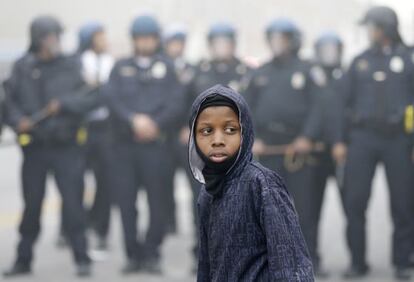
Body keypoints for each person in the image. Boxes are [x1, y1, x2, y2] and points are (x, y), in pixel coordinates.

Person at [188, 84, 314, 281]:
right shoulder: (207, 192)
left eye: (230, 129)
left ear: (245, 132)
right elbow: (206, 265)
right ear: (193, 137)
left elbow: (290, 260)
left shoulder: (261, 184)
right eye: (206, 131)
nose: (218, 140)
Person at [2, 15, 94, 277]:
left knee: (74, 205)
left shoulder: (71, 65)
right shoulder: (22, 68)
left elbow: (89, 99)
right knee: (32, 205)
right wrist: (18, 120)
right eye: (51, 36)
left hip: (66, 149)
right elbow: (8, 103)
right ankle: (23, 259)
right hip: (35, 150)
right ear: (38, 39)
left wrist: (63, 104)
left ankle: (82, 258)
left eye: (57, 36)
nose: (55, 41)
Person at [332, 6, 414, 280]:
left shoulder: (408, 59)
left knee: (403, 203)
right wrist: (340, 140)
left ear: (385, 28)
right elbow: (343, 104)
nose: (368, 32)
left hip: (399, 140)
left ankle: (403, 261)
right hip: (362, 139)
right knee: (355, 202)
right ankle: (357, 261)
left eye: (372, 27)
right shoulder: (359, 62)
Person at [104, 14, 184, 274]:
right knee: (126, 203)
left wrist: (154, 124)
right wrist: (133, 120)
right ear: (134, 40)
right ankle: (132, 254)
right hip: (125, 147)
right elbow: (113, 100)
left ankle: (152, 253)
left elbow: (176, 102)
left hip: (156, 147)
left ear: (156, 39)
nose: (145, 43)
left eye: (149, 38)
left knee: (158, 202)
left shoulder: (167, 67)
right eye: (141, 38)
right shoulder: (120, 67)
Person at [244, 18, 321, 272]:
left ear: (293, 41)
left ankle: (308, 259)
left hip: (298, 150)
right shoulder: (261, 72)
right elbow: (247, 109)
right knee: (267, 209)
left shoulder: (308, 70)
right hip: (268, 151)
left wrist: (307, 137)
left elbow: (319, 109)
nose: (277, 44)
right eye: (273, 38)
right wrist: (255, 139)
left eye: (282, 38)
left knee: (304, 209)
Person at [304, 31, 347, 277]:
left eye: (334, 49)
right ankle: (312, 258)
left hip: (341, 152)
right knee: (310, 210)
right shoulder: (311, 75)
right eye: (325, 49)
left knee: (351, 207)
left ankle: (357, 259)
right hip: (317, 152)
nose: (330, 54)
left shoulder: (347, 75)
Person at [78, 20, 114, 251]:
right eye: (99, 35)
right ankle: (72, 226)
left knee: (106, 181)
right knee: (74, 181)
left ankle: (101, 228)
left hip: (106, 128)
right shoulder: (77, 63)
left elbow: (111, 93)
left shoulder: (111, 62)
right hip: (83, 127)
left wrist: (98, 89)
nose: (104, 40)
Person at [162, 23, 196, 236]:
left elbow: (196, 101)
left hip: (186, 136)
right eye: (173, 43)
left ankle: (196, 225)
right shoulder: (160, 68)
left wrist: (190, 127)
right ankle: (168, 223)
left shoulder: (191, 70)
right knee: (164, 184)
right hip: (163, 135)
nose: (177, 47)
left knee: (194, 184)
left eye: (180, 43)